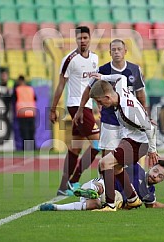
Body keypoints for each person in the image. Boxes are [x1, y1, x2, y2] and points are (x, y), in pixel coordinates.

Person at [88, 76, 158, 211]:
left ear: (108, 97)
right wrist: (102, 78)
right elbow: (121, 77)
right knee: (117, 167)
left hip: (138, 143)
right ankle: (133, 199)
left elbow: (150, 128)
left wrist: (152, 150)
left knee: (104, 163)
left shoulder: (127, 112)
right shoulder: (119, 89)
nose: (100, 105)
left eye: (99, 101)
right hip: (131, 138)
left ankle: (110, 204)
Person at [72, 39, 146, 159]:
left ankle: (129, 177)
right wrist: (80, 109)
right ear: (110, 53)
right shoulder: (103, 70)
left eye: (119, 49)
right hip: (109, 119)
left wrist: (145, 114)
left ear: (125, 51)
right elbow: (88, 90)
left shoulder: (135, 69)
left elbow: (140, 94)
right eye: (113, 50)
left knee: (128, 155)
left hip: (129, 120)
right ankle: (104, 177)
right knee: (107, 154)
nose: (116, 52)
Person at [49, 26, 100, 196]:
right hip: (75, 106)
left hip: (87, 106)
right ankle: (74, 180)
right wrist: (53, 108)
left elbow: (94, 85)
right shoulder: (69, 59)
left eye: (85, 38)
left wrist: (98, 103)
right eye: (79, 38)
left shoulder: (94, 58)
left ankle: (63, 186)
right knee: (97, 144)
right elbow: (61, 85)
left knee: (75, 147)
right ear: (76, 39)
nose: (82, 41)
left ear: (90, 38)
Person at [39, 161, 164, 211]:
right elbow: (110, 164)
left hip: (107, 201)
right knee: (104, 186)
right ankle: (90, 190)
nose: (155, 176)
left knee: (94, 204)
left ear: (161, 181)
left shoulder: (149, 193)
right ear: (151, 166)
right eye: (155, 171)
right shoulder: (135, 167)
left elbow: (154, 205)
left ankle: (54, 207)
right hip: (102, 184)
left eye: (160, 176)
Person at [12, 75, 36, 150]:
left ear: (19, 81)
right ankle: (33, 148)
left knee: (24, 132)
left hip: (22, 113)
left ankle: (26, 148)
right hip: (31, 112)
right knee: (31, 131)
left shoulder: (17, 89)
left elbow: (13, 99)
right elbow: (35, 98)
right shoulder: (30, 89)